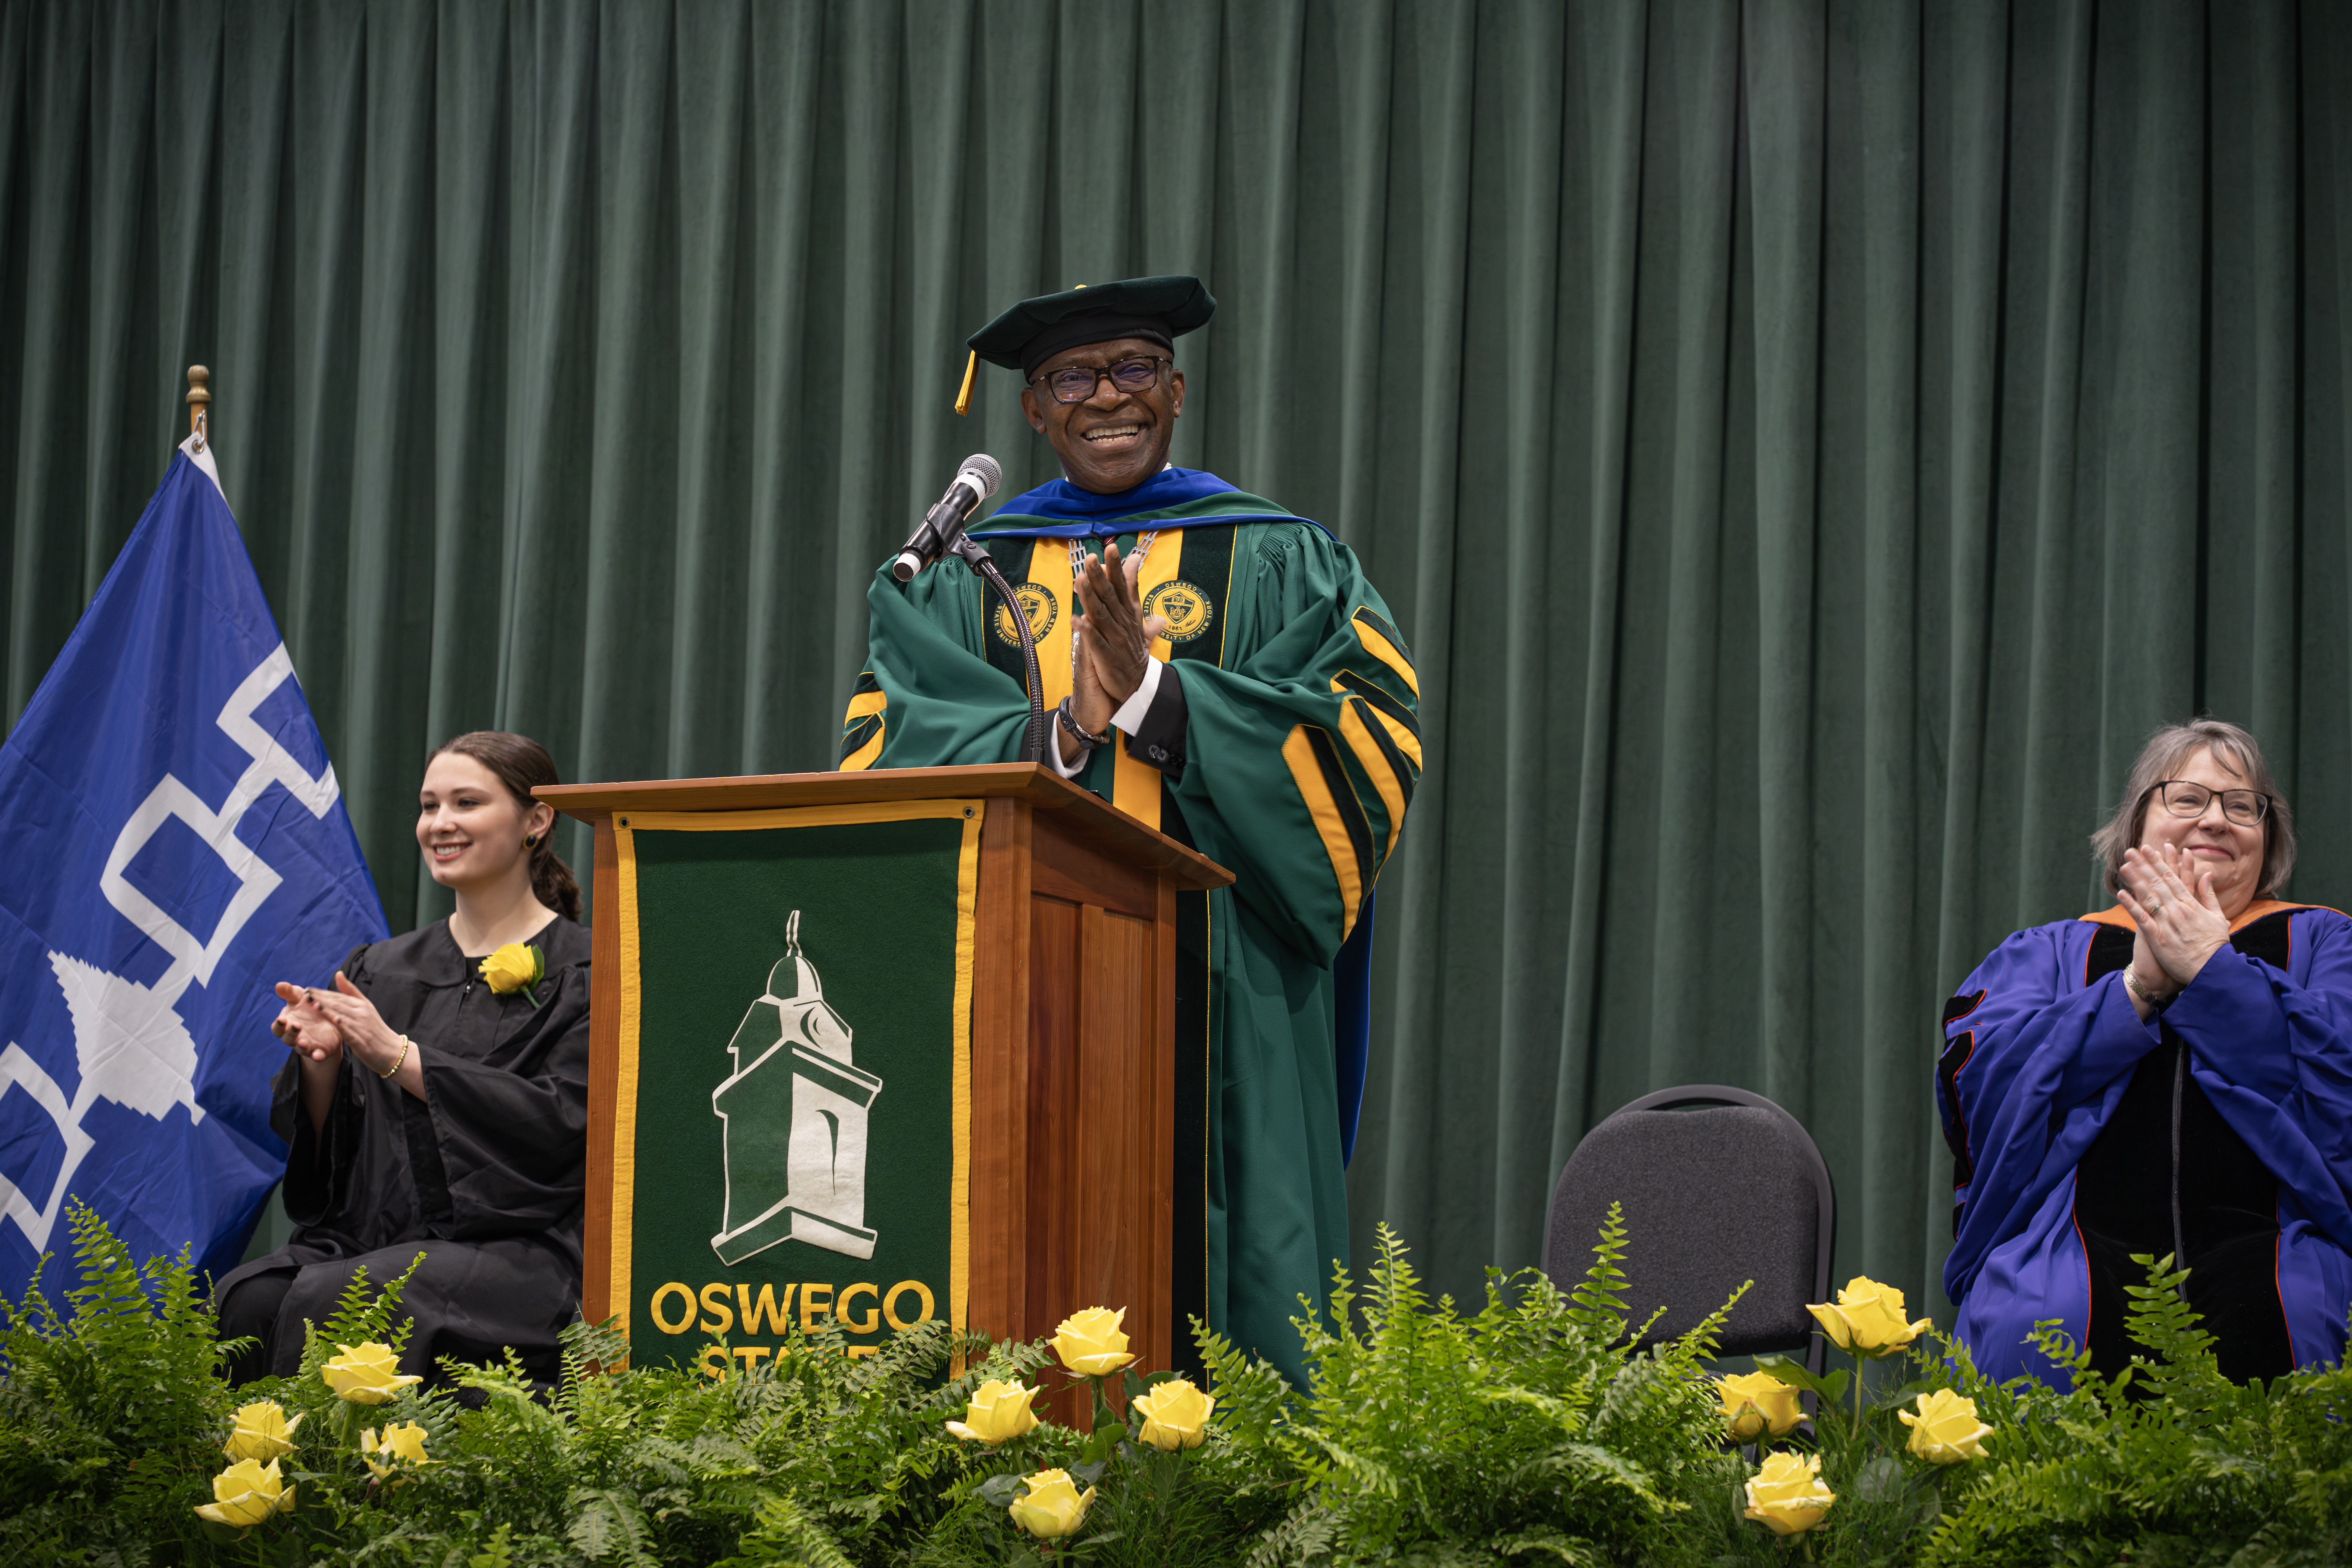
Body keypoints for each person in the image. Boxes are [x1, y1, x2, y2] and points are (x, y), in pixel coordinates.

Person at [839, 276, 1418, 1384]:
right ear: (1033, 412)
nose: (1107, 396)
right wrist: (1062, 730)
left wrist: (1164, 702)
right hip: (1019, 994)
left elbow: (1367, 731)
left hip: (1226, 978)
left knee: (1241, 1300)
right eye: (1071, 376)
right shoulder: (965, 571)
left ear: (1179, 389)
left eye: (1133, 369)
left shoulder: (1284, 556)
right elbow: (890, 753)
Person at [1938, 719, 2352, 1386]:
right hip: (2065, 1243)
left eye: (2242, 806)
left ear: (2267, 839)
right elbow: (1989, 1087)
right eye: (2187, 799)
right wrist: (2136, 990)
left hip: (2284, 1241)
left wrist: (2212, 972)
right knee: (2035, 1321)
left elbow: (2341, 1082)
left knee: (2303, 1310)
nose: (2216, 820)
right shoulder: (2047, 953)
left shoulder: (2329, 945)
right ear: (2137, 826)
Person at [213, 731, 593, 1387]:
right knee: (249, 1298)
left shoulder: (589, 968)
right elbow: (339, 1159)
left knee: (352, 1295)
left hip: (518, 1248)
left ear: (537, 820)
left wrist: (398, 1056)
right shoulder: (382, 968)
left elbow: (563, 1124)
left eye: (467, 803)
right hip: (376, 1235)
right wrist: (324, 1065)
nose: (440, 824)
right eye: (429, 806)